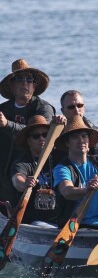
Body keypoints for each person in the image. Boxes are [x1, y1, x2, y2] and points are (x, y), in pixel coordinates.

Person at [0, 59, 56, 207]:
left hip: (35, 166)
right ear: (11, 85)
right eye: (19, 79)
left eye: (29, 79)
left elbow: (44, 132)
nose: (25, 83)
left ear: (34, 85)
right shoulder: (3, 109)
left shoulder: (44, 108)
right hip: (6, 169)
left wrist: (7, 124)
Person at [53, 117, 98, 229]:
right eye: (75, 137)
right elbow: (67, 191)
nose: (81, 140)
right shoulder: (62, 168)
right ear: (67, 143)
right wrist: (85, 190)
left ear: (89, 141)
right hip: (77, 226)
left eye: (84, 136)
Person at [10, 115, 65, 225]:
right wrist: (25, 183)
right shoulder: (23, 162)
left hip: (61, 217)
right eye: (36, 136)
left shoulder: (60, 156)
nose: (41, 139)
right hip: (36, 220)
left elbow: (73, 142)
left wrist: (64, 124)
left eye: (45, 135)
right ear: (29, 141)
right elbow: (17, 179)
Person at [60, 89, 98, 156]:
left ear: (84, 107)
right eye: (71, 107)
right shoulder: (56, 133)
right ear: (62, 111)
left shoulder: (97, 132)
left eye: (79, 105)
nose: (76, 110)